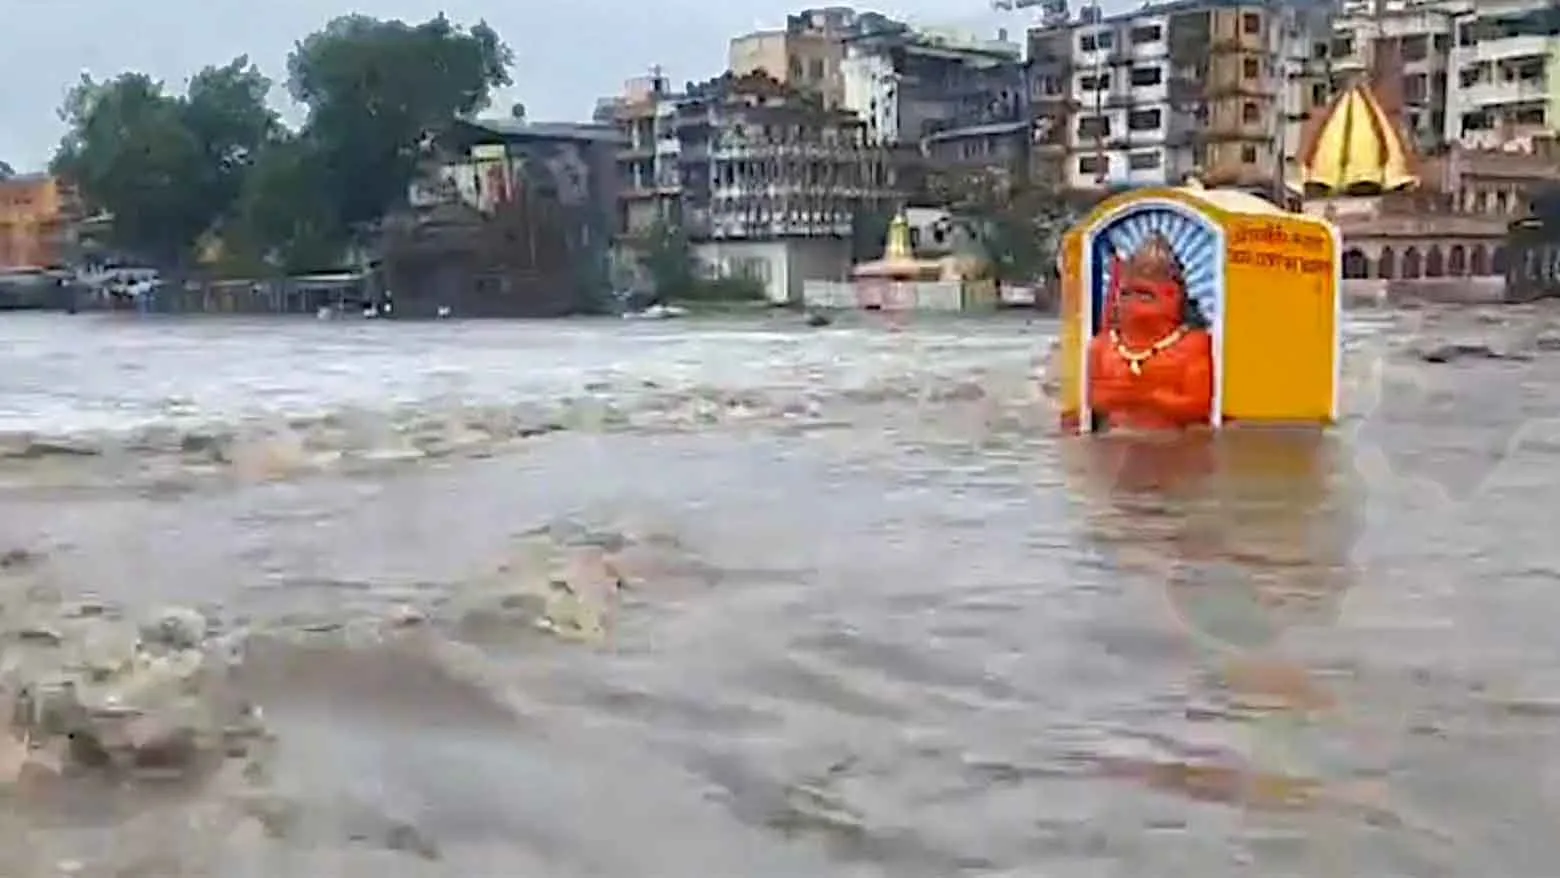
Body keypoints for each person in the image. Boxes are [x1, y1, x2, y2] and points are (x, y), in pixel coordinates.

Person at [1086, 233, 1214, 430]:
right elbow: (1093, 400)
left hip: (1174, 445)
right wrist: (1124, 394)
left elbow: (1199, 405)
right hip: (1115, 440)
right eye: (1126, 294)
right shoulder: (1102, 344)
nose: (1131, 302)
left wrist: (1149, 396)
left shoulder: (1194, 345)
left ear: (1174, 295)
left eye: (1144, 294)